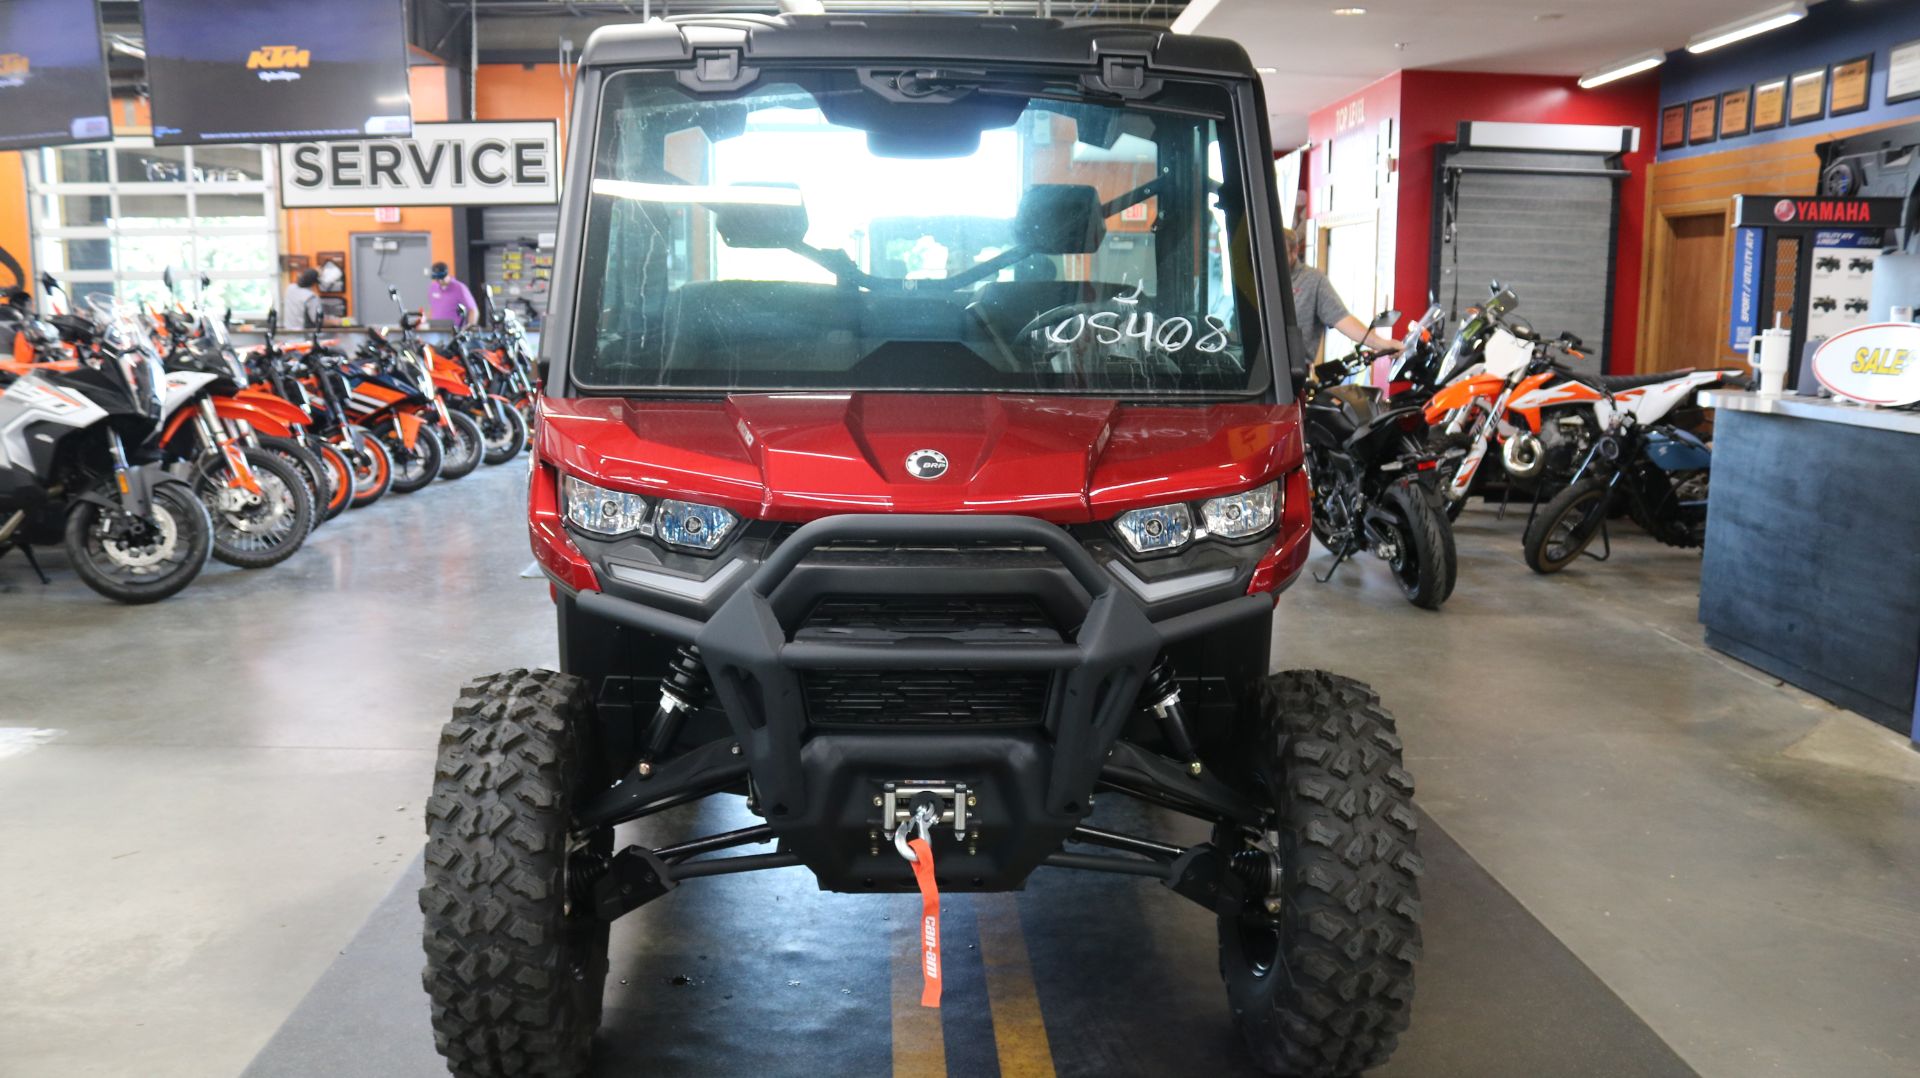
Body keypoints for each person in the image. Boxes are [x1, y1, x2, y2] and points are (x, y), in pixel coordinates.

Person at [1283, 227, 1402, 364]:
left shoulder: (1312, 280)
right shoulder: (1261, 279)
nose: (1273, 259)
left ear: (1295, 251)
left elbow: (1342, 319)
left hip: (1289, 374)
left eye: (1281, 254)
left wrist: (1381, 343)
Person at [427, 262, 478, 327]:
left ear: (447, 274)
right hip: (436, 330)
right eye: (437, 278)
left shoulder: (460, 288)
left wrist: (469, 328)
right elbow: (432, 308)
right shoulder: (433, 288)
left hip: (454, 331)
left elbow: (473, 310)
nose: (439, 280)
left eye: (441, 278)